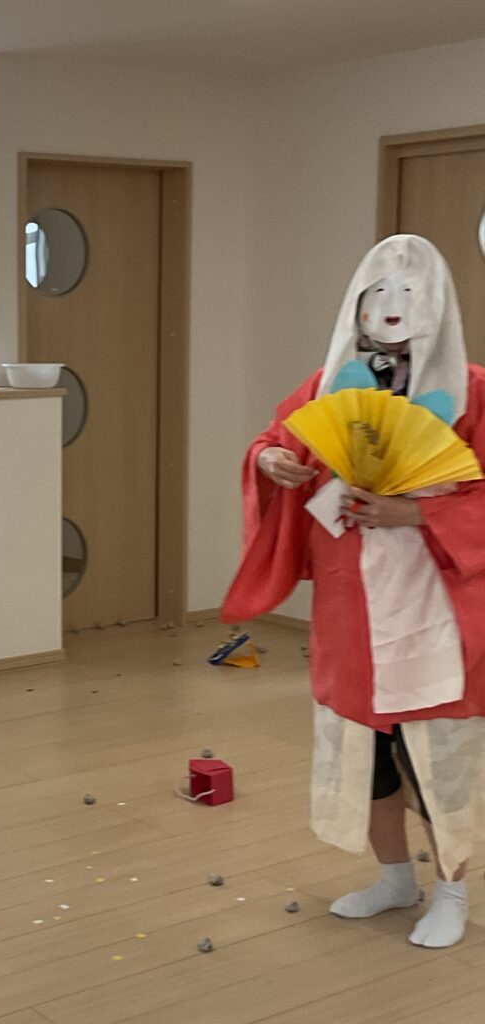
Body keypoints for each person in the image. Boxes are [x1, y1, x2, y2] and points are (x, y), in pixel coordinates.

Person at [222, 234, 485, 948]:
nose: (392, 307)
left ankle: (452, 891)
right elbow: (275, 440)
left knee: (435, 758)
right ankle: (395, 877)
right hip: (349, 604)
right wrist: (271, 461)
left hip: (434, 603)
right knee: (363, 753)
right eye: (380, 294)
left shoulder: (474, 391)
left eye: (409, 294)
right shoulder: (331, 384)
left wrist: (417, 513)